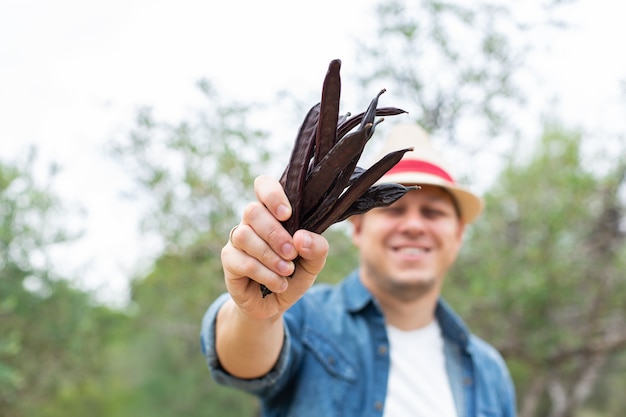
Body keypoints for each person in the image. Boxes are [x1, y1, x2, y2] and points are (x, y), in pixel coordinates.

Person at [200, 123, 517, 417]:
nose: (413, 226)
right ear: (358, 228)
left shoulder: (489, 371)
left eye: (432, 212)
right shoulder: (303, 317)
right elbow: (243, 363)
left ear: (458, 234)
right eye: (394, 207)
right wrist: (255, 315)